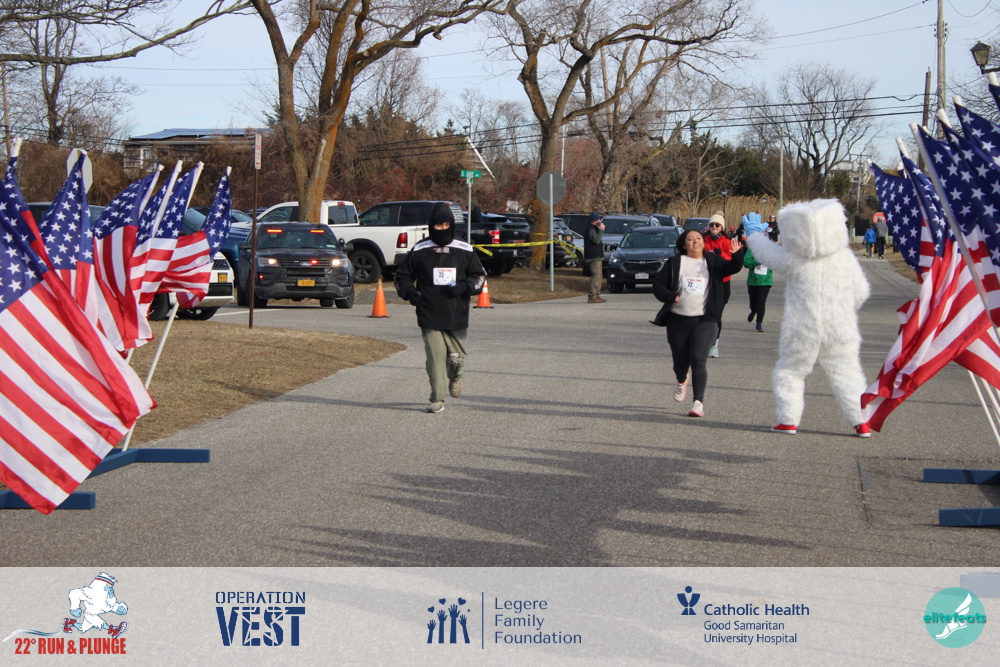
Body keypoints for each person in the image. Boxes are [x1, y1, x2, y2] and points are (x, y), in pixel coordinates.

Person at [394, 203, 486, 413]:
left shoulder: (464, 249)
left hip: (456, 312)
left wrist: (464, 287)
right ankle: (437, 399)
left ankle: (456, 377)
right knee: (435, 358)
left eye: (446, 225)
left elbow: (479, 276)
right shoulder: (420, 249)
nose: (442, 229)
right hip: (429, 311)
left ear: (452, 225)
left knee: (456, 359)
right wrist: (410, 293)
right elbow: (402, 276)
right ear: (431, 226)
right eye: (438, 225)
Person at [652, 228, 744, 418]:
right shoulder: (675, 262)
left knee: (698, 359)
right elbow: (658, 286)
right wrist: (670, 296)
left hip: (706, 319)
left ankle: (698, 403)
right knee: (680, 363)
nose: (695, 241)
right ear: (684, 244)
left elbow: (732, 268)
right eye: (690, 239)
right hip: (678, 319)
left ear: (704, 242)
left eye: (699, 238)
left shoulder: (712, 260)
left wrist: (737, 255)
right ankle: (682, 379)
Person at [701, 211, 732, 358]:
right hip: (705, 281)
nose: (714, 227)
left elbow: (731, 260)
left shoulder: (726, 241)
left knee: (717, 315)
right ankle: (702, 342)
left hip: (722, 282)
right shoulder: (704, 239)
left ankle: (714, 345)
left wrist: (720, 255)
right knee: (702, 314)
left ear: (722, 228)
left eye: (717, 225)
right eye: (712, 224)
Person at [744, 245, 772, 332]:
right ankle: (753, 311)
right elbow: (746, 263)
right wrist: (756, 262)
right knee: (753, 303)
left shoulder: (771, 250)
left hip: (765, 281)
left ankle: (759, 323)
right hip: (753, 281)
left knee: (761, 302)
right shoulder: (752, 249)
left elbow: (777, 263)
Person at [583, 211, 606, 303]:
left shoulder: (594, 228)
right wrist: (601, 230)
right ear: (594, 220)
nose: (599, 221)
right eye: (598, 219)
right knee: (596, 276)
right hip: (593, 256)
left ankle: (597, 295)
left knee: (599, 276)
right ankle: (592, 296)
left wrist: (600, 229)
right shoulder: (590, 229)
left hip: (598, 256)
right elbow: (596, 240)